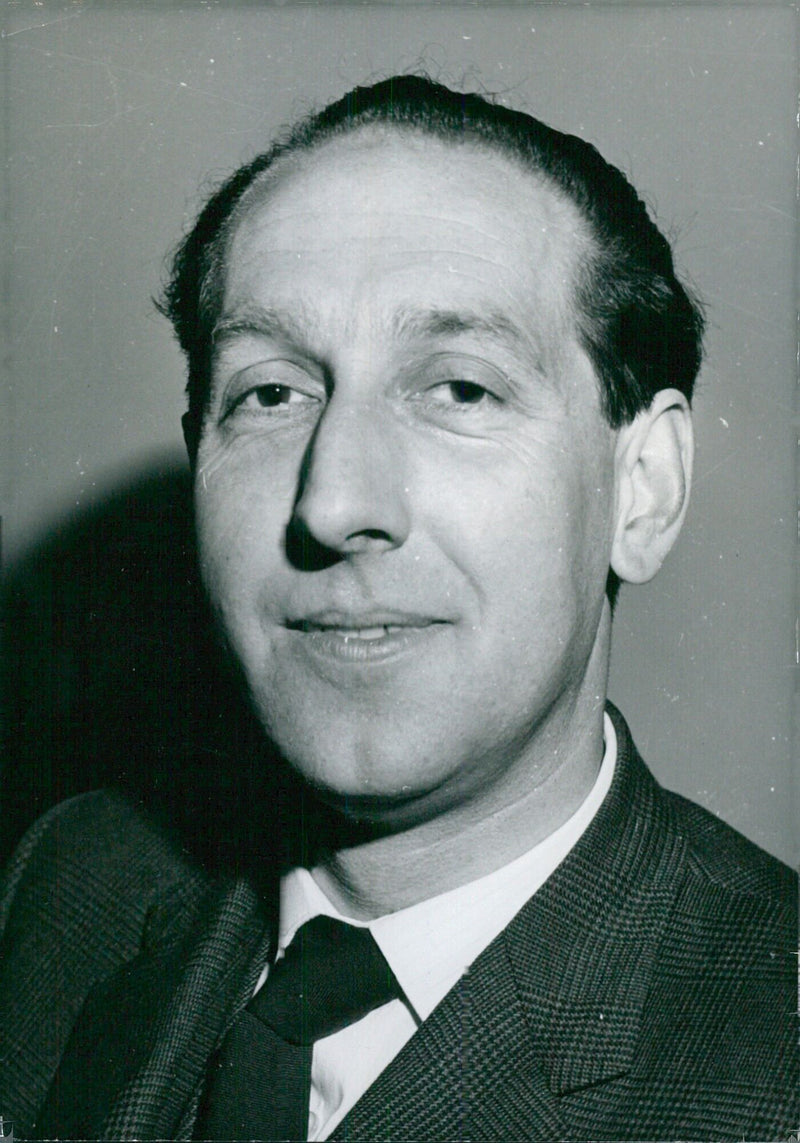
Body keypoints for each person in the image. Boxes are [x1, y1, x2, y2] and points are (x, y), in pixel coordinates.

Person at [0, 75, 796, 1142]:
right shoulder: (78, 882)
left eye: (459, 389)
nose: (334, 504)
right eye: (271, 393)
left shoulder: (766, 1058)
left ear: (641, 488)